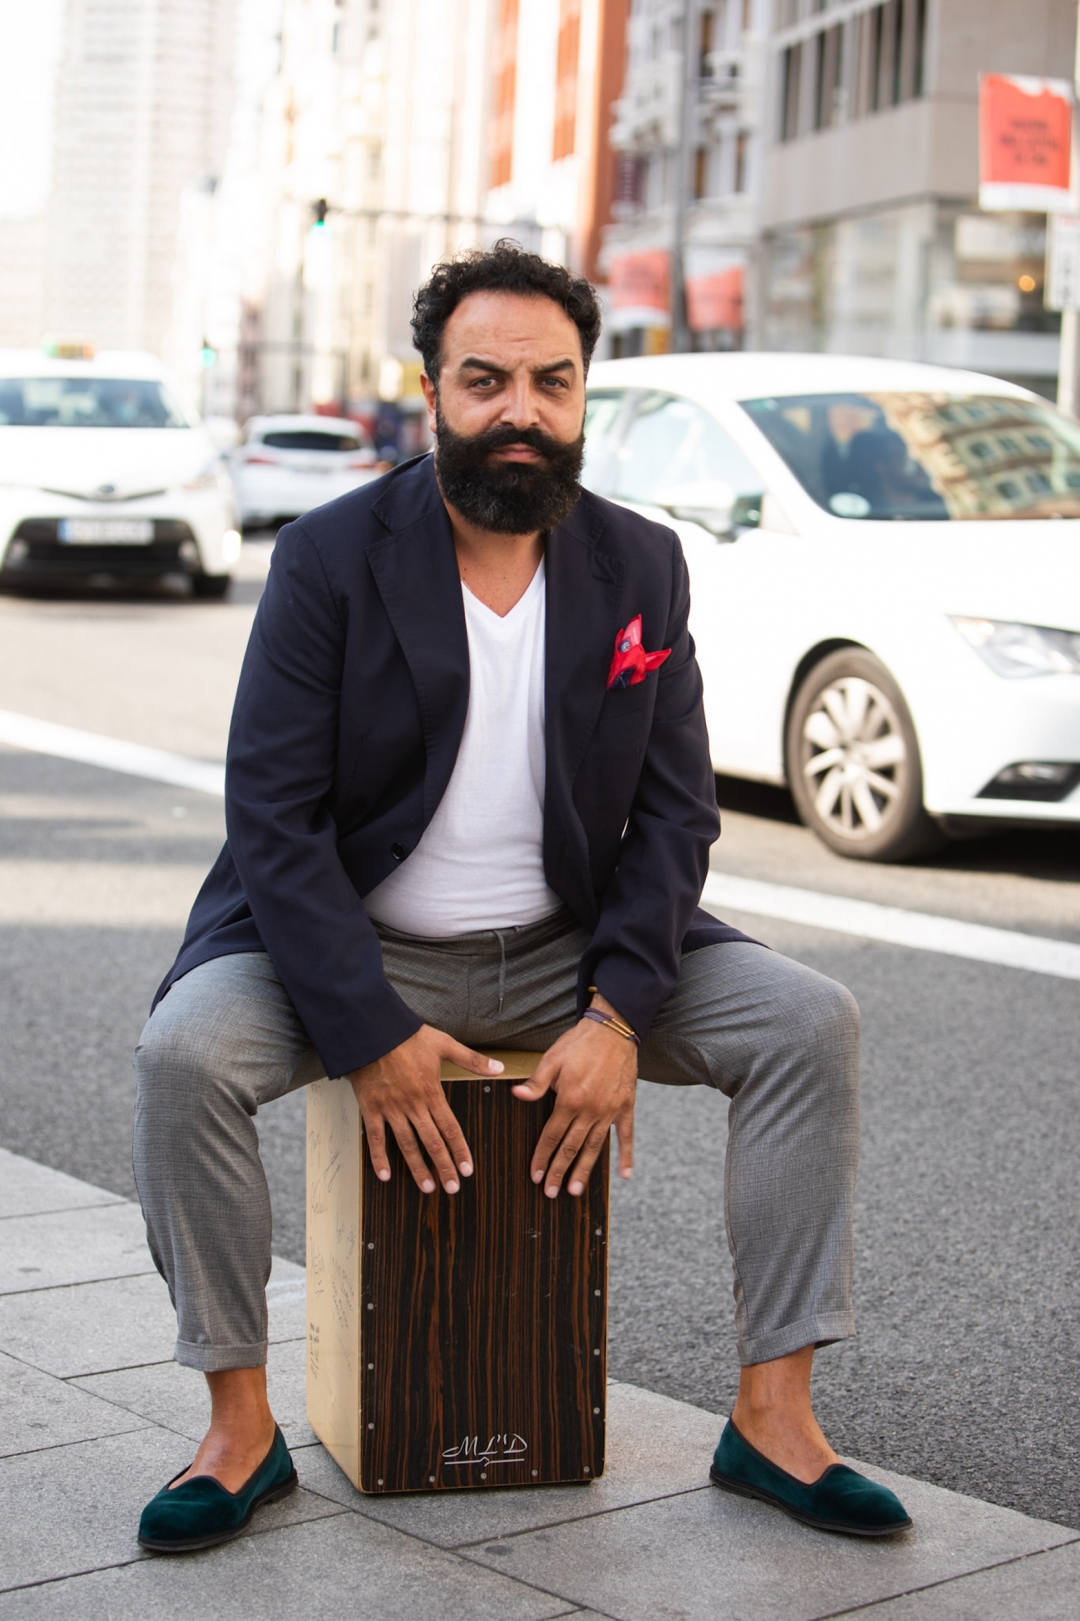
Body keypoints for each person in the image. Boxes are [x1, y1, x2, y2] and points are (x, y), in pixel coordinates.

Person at [132, 241, 910, 1552]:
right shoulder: (332, 558)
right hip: (350, 945)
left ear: (583, 397)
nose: (520, 410)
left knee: (806, 1020)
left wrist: (617, 1011)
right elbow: (274, 816)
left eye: (552, 382)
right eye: (484, 379)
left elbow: (675, 814)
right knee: (182, 1055)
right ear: (430, 389)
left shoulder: (640, 566)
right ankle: (239, 1423)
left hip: (565, 947)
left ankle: (775, 1415)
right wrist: (369, 1031)